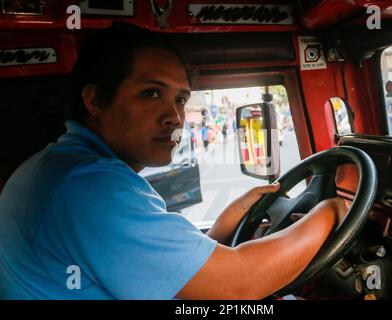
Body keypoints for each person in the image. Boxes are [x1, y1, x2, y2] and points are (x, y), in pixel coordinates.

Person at [0, 24, 347, 300]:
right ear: (95, 100)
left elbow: (172, 274)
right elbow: (238, 286)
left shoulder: (63, 167)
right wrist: (332, 212)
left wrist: (230, 219)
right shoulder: (89, 185)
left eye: (180, 99)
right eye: (151, 93)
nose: (175, 117)